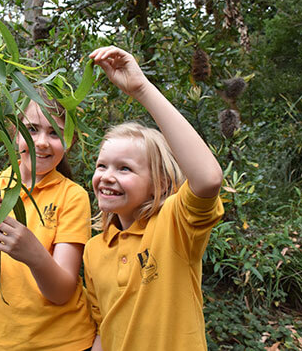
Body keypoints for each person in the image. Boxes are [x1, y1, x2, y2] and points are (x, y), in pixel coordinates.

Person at [83, 46, 224, 351]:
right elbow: (102, 329)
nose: (107, 176)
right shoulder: (93, 249)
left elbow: (209, 179)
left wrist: (142, 89)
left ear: (158, 183)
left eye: (125, 168)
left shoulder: (175, 225)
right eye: (101, 166)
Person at [0, 92, 96, 351]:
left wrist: (35, 255)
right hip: (6, 342)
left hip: (67, 342)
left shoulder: (73, 196)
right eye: (31, 129)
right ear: (14, 132)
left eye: (55, 133)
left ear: (70, 141)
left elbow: (61, 292)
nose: (41, 142)